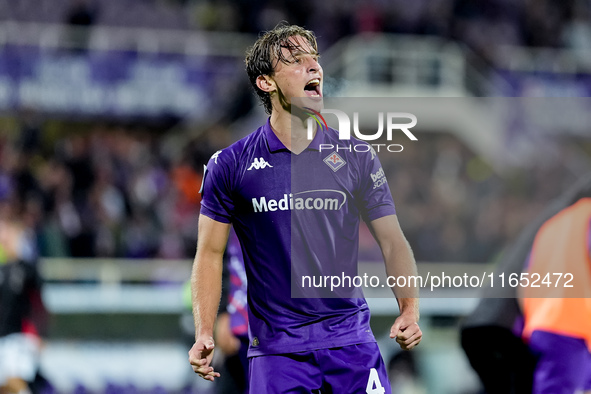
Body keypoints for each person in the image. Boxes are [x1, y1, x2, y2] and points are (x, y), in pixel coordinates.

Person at [188, 23, 421, 393]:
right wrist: (204, 330)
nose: (314, 68)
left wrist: (409, 309)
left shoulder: (357, 156)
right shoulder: (230, 165)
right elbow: (210, 253)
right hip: (277, 356)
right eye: (297, 61)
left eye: (315, 59)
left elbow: (392, 241)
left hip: (352, 346)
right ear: (267, 83)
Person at [461, 174, 591, 394]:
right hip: (520, 330)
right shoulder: (580, 222)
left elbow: (525, 282)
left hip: (507, 327)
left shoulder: (556, 221)